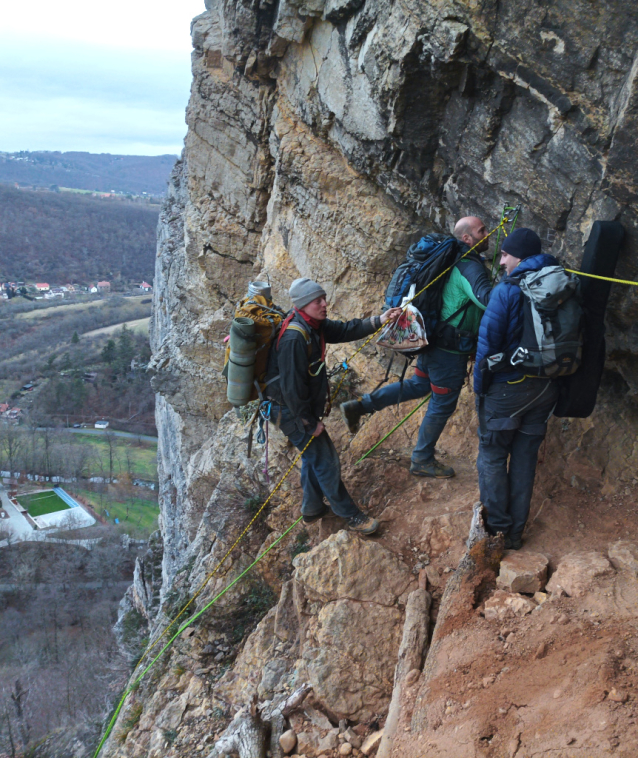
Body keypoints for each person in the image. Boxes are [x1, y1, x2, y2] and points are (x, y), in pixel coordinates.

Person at [340, 216, 493, 478]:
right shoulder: (469, 266)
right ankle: (422, 459)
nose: (488, 234)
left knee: (420, 385)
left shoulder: (448, 259)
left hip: (431, 338)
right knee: (443, 402)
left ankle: (361, 406)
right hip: (449, 351)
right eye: (482, 231)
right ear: (467, 238)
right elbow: (488, 300)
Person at [265, 278, 402, 535]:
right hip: (288, 409)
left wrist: (380, 319)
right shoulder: (296, 337)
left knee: (312, 456)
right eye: (318, 300)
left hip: (290, 406)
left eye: (324, 298)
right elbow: (293, 390)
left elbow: (346, 330)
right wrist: (309, 422)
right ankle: (351, 515)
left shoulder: (313, 325)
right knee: (325, 459)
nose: (324, 304)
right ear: (304, 304)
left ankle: (312, 508)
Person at [474, 228, 560, 550]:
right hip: (546, 388)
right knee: (524, 459)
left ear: (519, 256)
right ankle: (514, 536)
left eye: (506, 255)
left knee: (493, 456)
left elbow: (487, 346)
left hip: (508, 388)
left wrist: (480, 390)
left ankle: (496, 532)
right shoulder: (558, 285)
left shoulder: (507, 290)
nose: (502, 261)